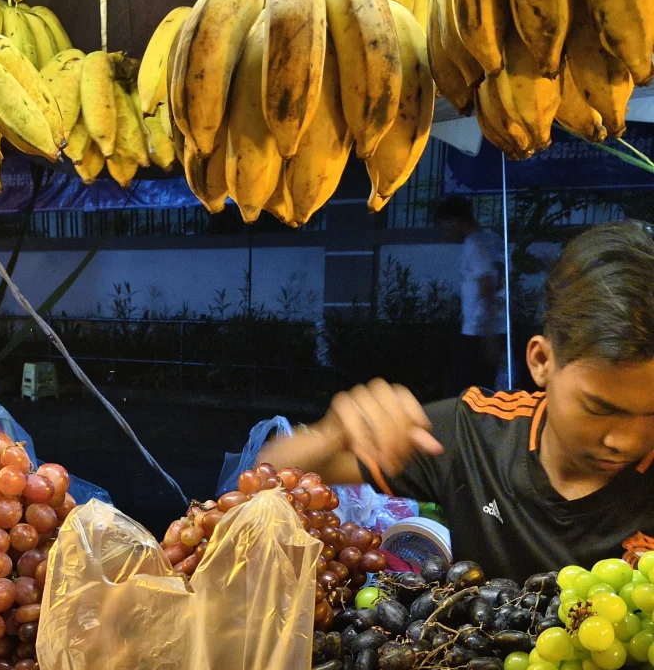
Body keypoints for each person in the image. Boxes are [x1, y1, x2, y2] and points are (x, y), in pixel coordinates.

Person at [258, 220, 654, 581]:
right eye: (599, 408)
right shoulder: (475, 433)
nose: (627, 441)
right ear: (541, 361)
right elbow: (271, 472)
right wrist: (334, 434)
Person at [435, 196, 507, 391]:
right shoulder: (492, 239)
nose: (446, 234)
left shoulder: (475, 245)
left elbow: (487, 287)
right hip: (498, 327)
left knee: (463, 393)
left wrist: (488, 336)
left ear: (456, 222)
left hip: (479, 331)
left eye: (444, 227)